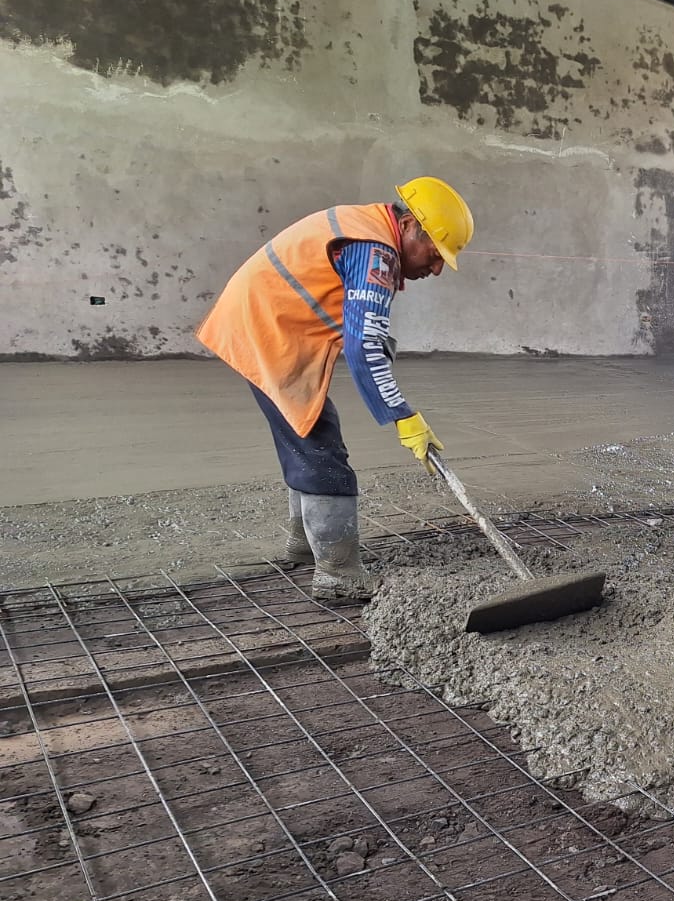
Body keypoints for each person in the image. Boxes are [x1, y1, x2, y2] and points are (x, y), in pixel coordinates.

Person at [196, 177, 474, 600]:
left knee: (306, 433)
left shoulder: (368, 225)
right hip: (269, 331)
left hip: (261, 320)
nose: (436, 269)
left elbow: (362, 329)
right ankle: (338, 573)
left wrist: (378, 349)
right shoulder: (377, 252)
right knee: (322, 451)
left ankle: (304, 547)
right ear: (412, 229)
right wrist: (403, 416)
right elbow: (362, 346)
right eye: (436, 254)